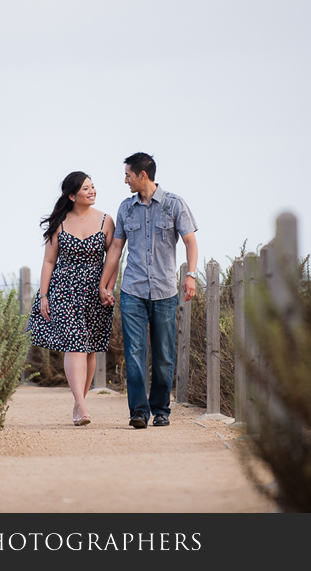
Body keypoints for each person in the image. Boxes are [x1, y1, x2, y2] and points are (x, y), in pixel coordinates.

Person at [99, 153, 198, 428]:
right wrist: (104, 284)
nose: (125, 180)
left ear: (143, 175)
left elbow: (190, 242)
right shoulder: (125, 208)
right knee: (134, 352)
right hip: (132, 290)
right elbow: (116, 249)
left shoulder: (175, 204)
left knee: (164, 355)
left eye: (128, 175)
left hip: (165, 291)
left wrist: (190, 275)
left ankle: (161, 410)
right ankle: (139, 412)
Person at [26, 171, 116, 426]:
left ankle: (79, 403)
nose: (92, 191)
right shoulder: (60, 222)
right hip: (64, 290)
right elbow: (49, 261)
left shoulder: (106, 220)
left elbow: (113, 258)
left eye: (93, 186)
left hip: (96, 291)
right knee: (74, 344)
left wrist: (108, 287)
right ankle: (82, 405)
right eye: (86, 188)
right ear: (72, 195)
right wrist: (44, 295)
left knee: (89, 349)